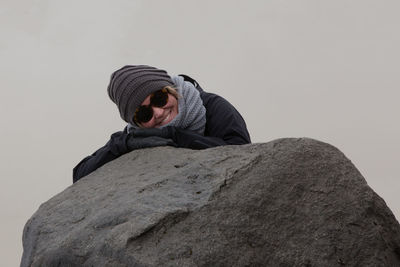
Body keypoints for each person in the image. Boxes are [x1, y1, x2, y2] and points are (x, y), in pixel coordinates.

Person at [73, 65, 251, 183]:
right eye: (144, 113)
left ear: (170, 89)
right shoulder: (138, 135)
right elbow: (79, 175)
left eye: (159, 98)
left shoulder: (212, 106)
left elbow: (243, 154)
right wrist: (123, 144)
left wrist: (174, 136)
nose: (158, 113)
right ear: (136, 123)